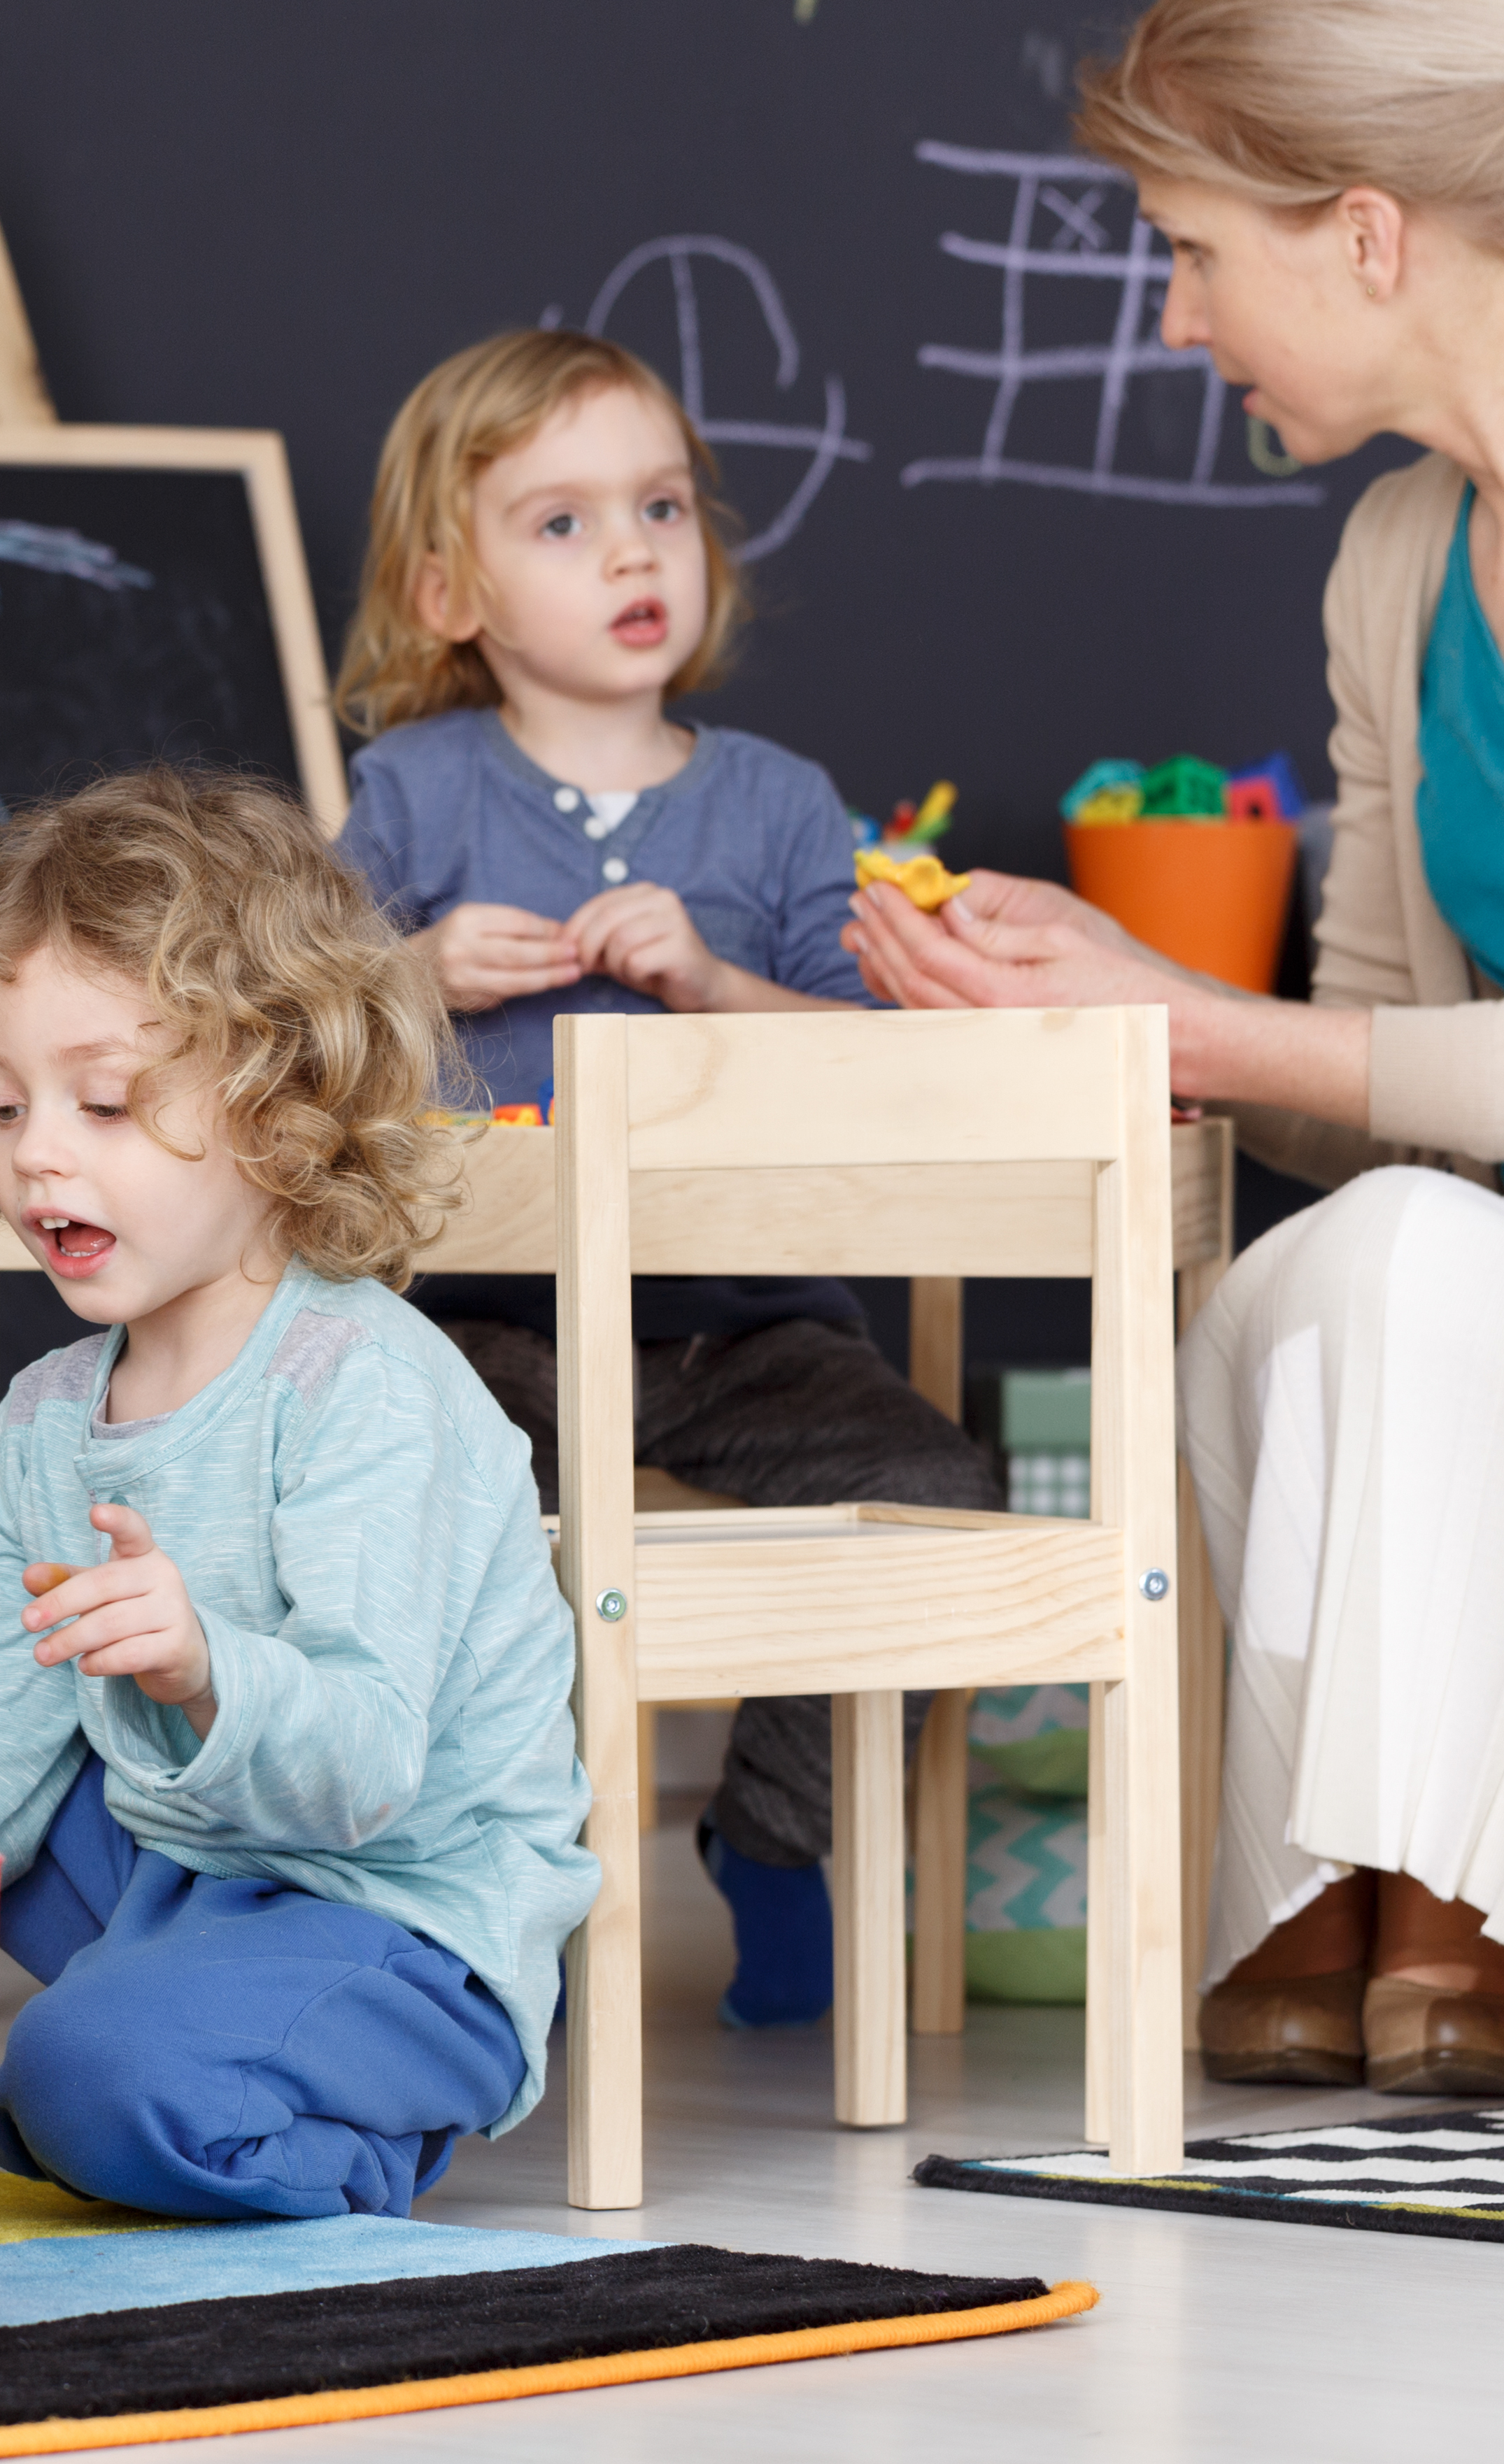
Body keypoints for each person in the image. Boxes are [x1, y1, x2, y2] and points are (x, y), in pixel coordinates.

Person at [849, 0, 1504, 2115]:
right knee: (1319, 1271)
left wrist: (1175, 1016)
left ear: (1367, 234)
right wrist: (1082, 1009)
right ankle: (1397, 1898)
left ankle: (1422, 1882)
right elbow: (1399, 1094)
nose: (1178, 311)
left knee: (1384, 1269)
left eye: (1195, 247)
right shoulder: (1391, 552)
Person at [0, 766, 593, 2220]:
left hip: (388, 1924)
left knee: (77, 2071)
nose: (38, 1151)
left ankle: (295, 2121)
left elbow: (366, 1768)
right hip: (167, 1877)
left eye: (106, 1101)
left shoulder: (367, 1386)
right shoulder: (48, 1419)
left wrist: (198, 1667)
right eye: (3, 1108)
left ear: (278, 1103)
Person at [329, 329, 998, 2027]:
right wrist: (410, 974)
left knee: (935, 1493)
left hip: (741, 1325)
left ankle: (775, 1838)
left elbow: (881, 1059)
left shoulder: (779, 809)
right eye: (561, 523)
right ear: (442, 593)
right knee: (451, 1499)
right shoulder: (410, 793)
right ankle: (491, 1874)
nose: (633, 550)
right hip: (496, 1325)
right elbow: (283, 1040)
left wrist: (709, 982)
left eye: (660, 506)